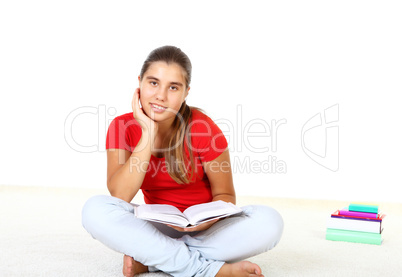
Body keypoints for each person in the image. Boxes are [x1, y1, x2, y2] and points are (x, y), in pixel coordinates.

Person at [82, 45, 284, 277]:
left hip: (207, 230)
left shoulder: (203, 127)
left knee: (270, 221)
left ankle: (155, 261)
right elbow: (120, 195)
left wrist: (205, 223)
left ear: (186, 92)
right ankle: (206, 269)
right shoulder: (121, 126)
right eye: (153, 83)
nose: (160, 95)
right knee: (94, 210)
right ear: (139, 83)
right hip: (156, 228)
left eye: (173, 87)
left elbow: (226, 196)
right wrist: (147, 134)